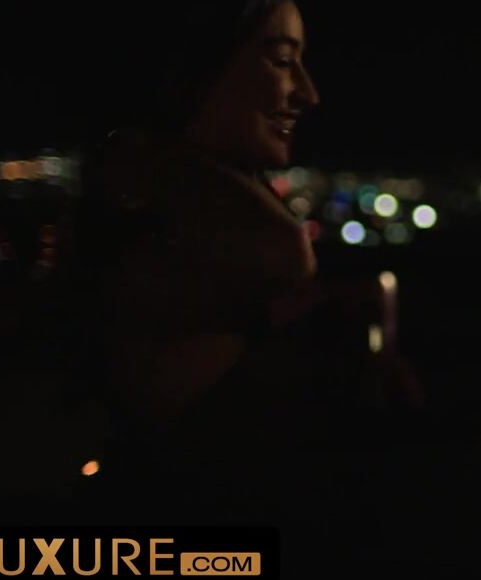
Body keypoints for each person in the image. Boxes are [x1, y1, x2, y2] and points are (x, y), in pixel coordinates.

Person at [68, 0, 326, 522]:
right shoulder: (158, 190)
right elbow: (284, 255)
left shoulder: (136, 191)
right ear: (194, 65)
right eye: (280, 60)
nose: (307, 92)